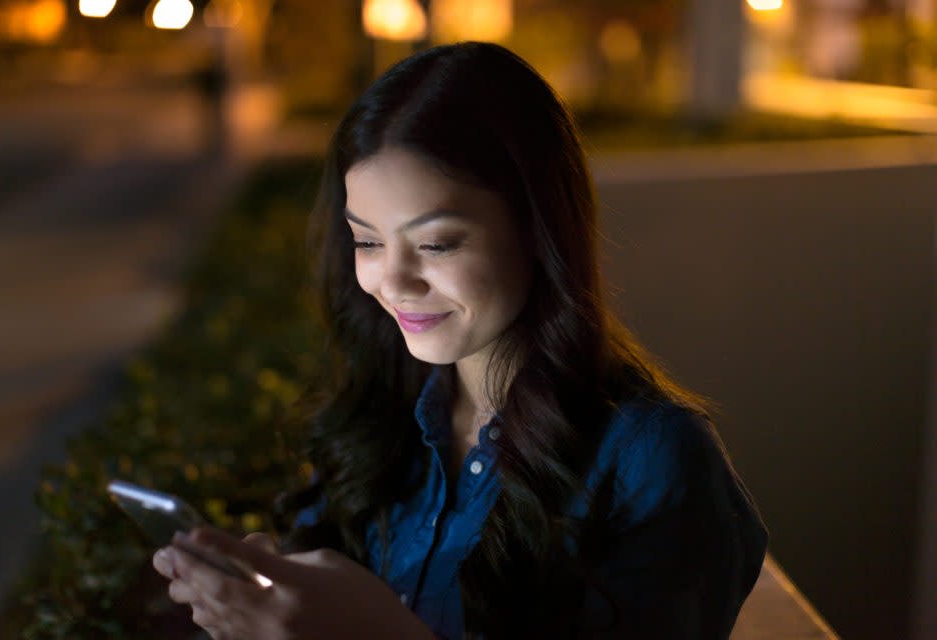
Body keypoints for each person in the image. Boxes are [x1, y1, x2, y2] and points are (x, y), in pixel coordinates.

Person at [152, 41, 768, 639]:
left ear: (538, 227)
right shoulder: (379, 418)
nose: (391, 280)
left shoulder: (652, 458)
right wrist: (270, 604)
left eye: (436, 243)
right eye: (366, 241)